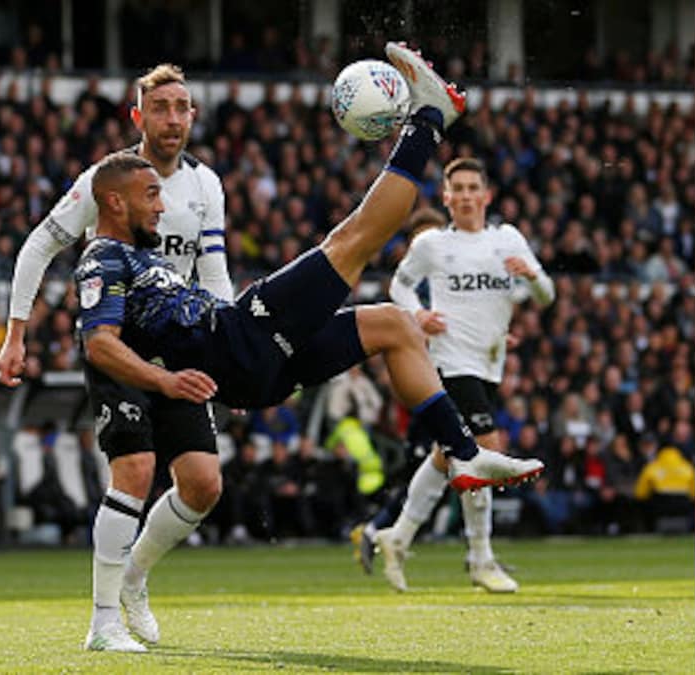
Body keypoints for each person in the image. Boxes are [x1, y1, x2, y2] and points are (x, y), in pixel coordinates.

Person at [74, 44, 544, 651]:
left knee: (394, 326)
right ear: (114, 202)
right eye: (148, 197)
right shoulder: (103, 258)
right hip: (237, 342)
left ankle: (462, 452)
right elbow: (99, 345)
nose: (161, 204)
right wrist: (165, 382)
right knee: (352, 240)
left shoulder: (142, 256)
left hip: (248, 355)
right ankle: (429, 119)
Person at [0, 64, 234, 652]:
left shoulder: (206, 186)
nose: (173, 119)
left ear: (193, 116)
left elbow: (215, 273)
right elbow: (40, 244)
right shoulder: (108, 180)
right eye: (160, 108)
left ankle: (133, 576)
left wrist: (230, 348)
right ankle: (102, 623)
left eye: (182, 107)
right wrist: (15, 332)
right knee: (133, 469)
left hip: (178, 348)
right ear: (139, 117)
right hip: (118, 339)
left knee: (204, 485)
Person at [355, 156, 556, 593]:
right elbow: (398, 286)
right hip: (448, 361)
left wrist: (534, 276)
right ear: (445, 198)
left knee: (446, 455)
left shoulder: (507, 240)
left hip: (489, 364)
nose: (465, 196)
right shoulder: (432, 246)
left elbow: (545, 296)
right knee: (483, 449)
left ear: (486, 195)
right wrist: (417, 315)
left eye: (472, 188)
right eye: (457, 189)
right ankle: (480, 557)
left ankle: (397, 535)